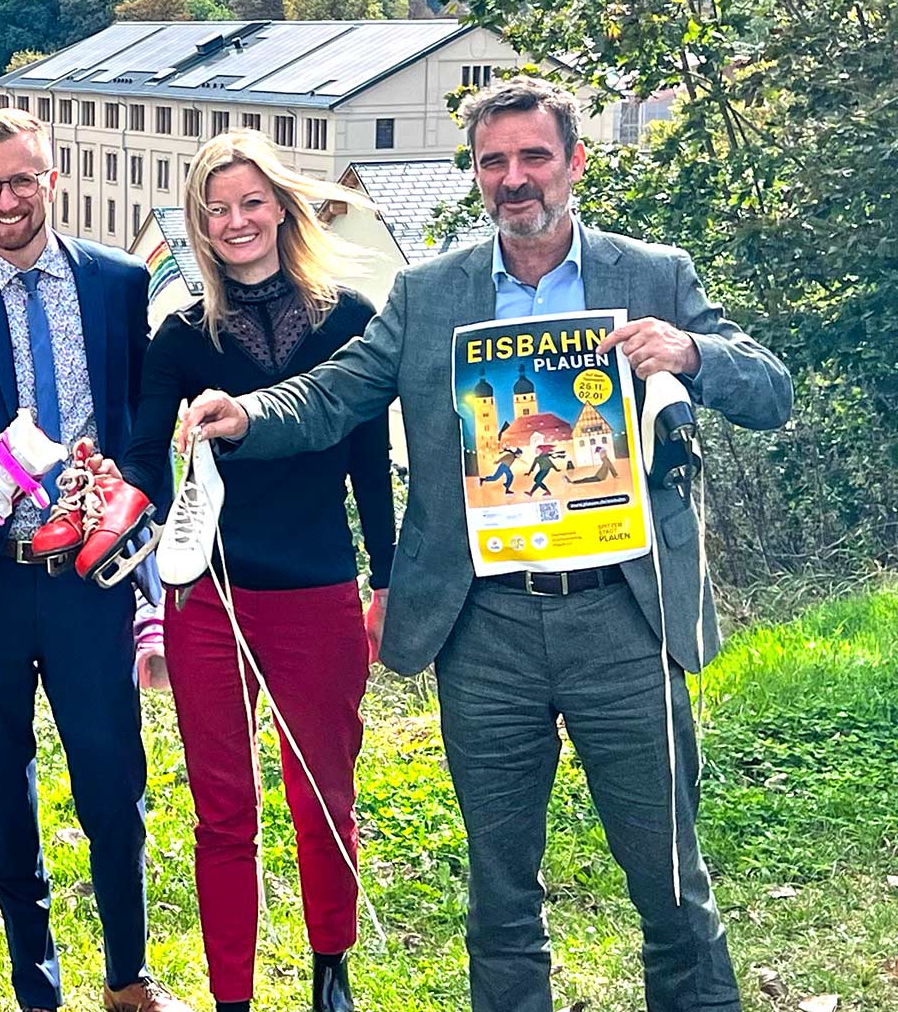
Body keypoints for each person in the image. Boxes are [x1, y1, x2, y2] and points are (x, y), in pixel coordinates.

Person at [181, 77, 792, 1012]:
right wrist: (248, 412)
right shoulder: (432, 294)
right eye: (493, 161)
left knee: (669, 881)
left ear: (575, 163)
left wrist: (693, 354)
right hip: (487, 628)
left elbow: (771, 391)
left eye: (533, 156)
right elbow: (336, 391)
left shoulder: (654, 277)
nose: (514, 179)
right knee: (501, 894)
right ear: (474, 174)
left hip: (625, 619)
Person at [0, 109, 191, 1012]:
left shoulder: (115, 283)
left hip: (90, 577)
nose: (5, 200)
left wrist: (138, 501)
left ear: (52, 179)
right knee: (5, 793)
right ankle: (36, 984)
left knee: (112, 780)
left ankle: (127, 975)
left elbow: (148, 420)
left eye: (21, 180)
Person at [117, 130, 393, 1012]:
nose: (235, 222)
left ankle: (330, 969)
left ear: (280, 205)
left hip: (317, 586)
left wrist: (382, 580)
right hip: (209, 599)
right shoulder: (183, 335)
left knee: (326, 795)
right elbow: (143, 459)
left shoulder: (350, 317)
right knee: (224, 808)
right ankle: (231, 994)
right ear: (199, 226)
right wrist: (119, 494)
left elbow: (368, 468)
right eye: (216, 209)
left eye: (249, 202)